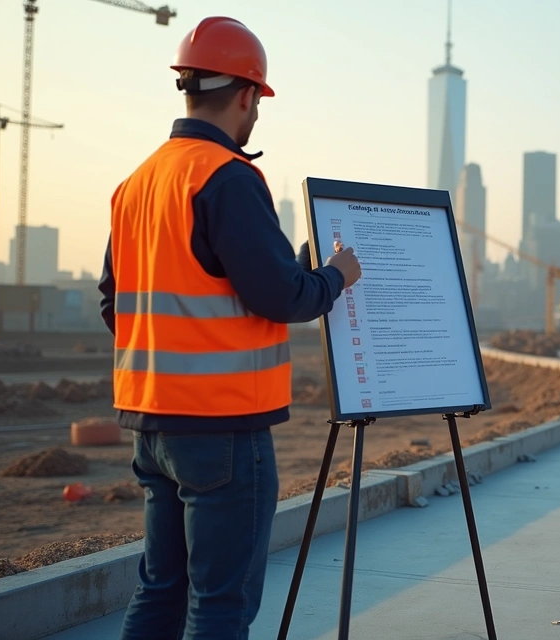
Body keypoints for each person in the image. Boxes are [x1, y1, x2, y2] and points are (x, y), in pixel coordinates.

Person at [96, 16, 362, 640]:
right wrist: (336, 277)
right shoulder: (227, 177)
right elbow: (282, 298)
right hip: (222, 430)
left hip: (152, 424)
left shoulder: (137, 183)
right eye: (258, 105)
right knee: (221, 604)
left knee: (160, 591)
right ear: (247, 94)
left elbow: (118, 302)